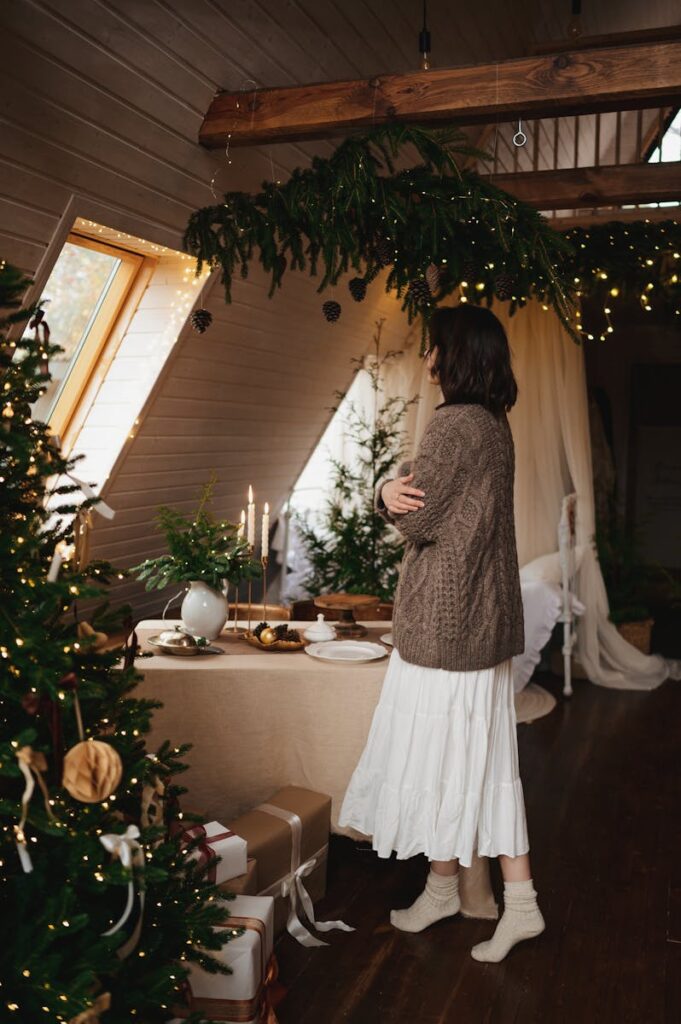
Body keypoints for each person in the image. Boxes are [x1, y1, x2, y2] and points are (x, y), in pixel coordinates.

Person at [338, 304, 545, 962]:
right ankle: (458, 891)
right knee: (476, 764)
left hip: (447, 628)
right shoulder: (491, 422)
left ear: (454, 356)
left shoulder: (455, 424)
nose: (426, 361)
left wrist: (379, 492)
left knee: (456, 766)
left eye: (433, 350)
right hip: (477, 627)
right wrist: (387, 486)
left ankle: (492, 900)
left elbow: (413, 517)